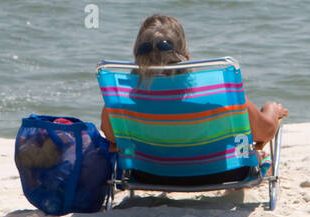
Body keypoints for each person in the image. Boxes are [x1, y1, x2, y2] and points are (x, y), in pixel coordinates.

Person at [100, 14, 288, 183]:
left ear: (136, 56)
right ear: (186, 56)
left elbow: (112, 137)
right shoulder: (221, 97)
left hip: (145, 175)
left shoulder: (119, 104)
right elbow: (264, 132)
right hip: (225, 174)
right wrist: (272, 109)